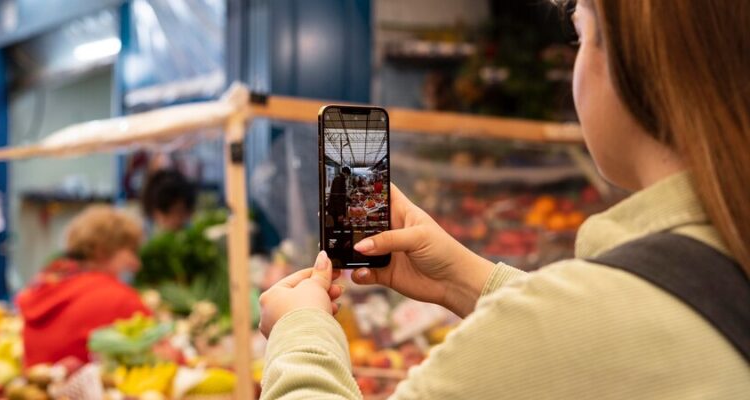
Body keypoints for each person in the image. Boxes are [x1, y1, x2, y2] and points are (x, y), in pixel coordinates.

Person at [258, 0, 750, 398]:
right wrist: (469, 280)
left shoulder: (582, 315)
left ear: (629, 63)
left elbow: (581, 328)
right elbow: (611, 329)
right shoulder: (723, 253)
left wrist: (300, 332)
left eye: (581, 34)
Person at [17, 206, 150, 367]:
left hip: (35, 386)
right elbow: (159, 351)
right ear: (102, 251)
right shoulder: (118, 298)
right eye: (131, 251)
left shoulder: (44, 285)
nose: (137, 264)